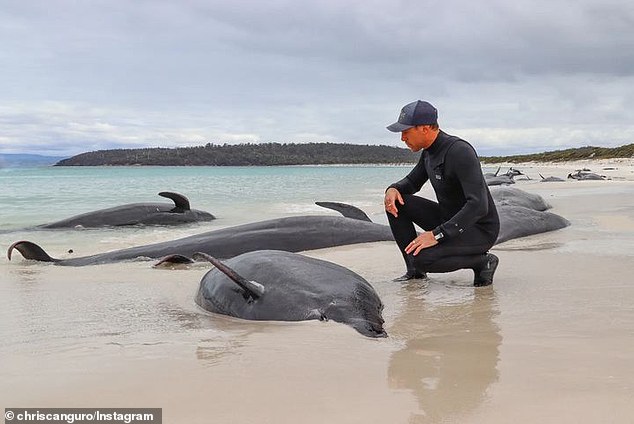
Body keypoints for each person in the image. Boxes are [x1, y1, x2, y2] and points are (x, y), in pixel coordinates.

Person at [384, 100, 500, 286]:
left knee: (423, 258)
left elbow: (478, 205)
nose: (402, 138)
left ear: (424, 128)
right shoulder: (429, 152)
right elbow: (412, 183)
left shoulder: (460, 151)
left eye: (406, 132)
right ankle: (415, 271)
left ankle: (483, 262)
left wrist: (436, 235)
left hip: (478, 229)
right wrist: (392, 189)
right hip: (449, 219)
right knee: (397, 202)